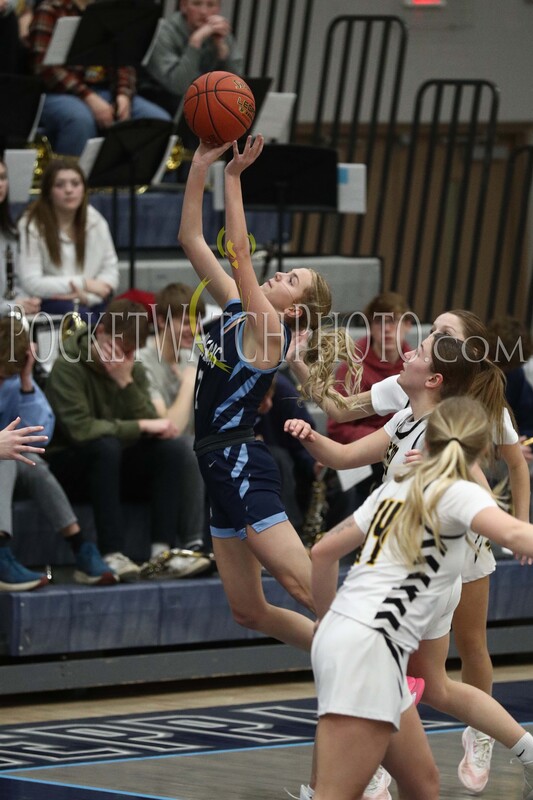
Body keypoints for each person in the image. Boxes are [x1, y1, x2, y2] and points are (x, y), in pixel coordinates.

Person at [288, 309, 529, 798]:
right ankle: (523, 748)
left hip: (391, 608)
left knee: (427, 699)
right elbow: (341, 428)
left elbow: (323, 553)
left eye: (432, 340)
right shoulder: (407, 426)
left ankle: (369, 766)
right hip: (386, 612)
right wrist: (313, 429)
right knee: (430, 709)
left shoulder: (444, 460)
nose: (411, 346)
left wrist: (326, 623)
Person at [178, 134, 359, 651]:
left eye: (291, 279)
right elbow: (191, 239)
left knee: (309, 587)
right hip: (215, 465)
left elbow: (238, 251)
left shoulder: (272, 332)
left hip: (237, 461)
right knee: (249, 610)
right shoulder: (238, 307)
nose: (280, 273)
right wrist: (199, 165)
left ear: (296, 309)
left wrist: (232, 178)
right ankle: (341, 659)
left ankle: (381, 665)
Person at [44, 298, 210, 581]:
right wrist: (140, 425)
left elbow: (155, 424)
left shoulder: (131, 366)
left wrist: (126, 383)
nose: (126, 358)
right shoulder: (67, 366)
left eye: (132, 351)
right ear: (101, 334)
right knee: (105, 447)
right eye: (121, 348)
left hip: (115, 464)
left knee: (172, 449)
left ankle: (162, 553)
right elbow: (81, 431)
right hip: (71, 465)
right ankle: (111, 553)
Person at [0, 315, 116, 591]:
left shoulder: (17, 381)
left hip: (11, 480)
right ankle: (1, 554)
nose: (3, 380)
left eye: (8, 375)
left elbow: (39, 438)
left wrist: (26, 380)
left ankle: (80, 547)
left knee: (29, 459)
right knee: (6, 456)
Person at [28, 0, 171, 156]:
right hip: (59, 93)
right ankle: (74, 178)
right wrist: (88, 96)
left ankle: (143, 179)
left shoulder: (110, 9)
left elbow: (125, 57)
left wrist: (124, 94)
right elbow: (44, 67)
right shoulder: (51, 8)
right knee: (80, 120)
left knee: (159, 120)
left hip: (106, 90)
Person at [136, 282, 211, 571]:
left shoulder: (192, 356)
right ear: (160, 320)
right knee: (184, 447)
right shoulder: (142, 361)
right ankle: (193, 544)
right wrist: (190, 383)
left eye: (196, 321)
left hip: (188, 456)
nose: (191, 329)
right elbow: (171, 428)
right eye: (183, 321)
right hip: (150, 459)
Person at [327, 290, 412, 507]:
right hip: (362, 452)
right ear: (370, 327)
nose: (387, 330)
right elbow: (337, 427)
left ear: (408, 325)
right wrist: (376, 438)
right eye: (379, 322)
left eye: (394, 321)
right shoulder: (352, 366)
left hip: (404, 452)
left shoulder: (417, 367)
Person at [18, 157, 119, 318]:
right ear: (48, 191)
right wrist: (84, 283)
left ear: (84, 189)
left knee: (126, 317)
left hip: (92, 299)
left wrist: (86, 297)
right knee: (82, 317)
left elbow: (110, 273)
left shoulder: (96, 220)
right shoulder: (31, 225)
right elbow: (32, 283)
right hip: (50, 302)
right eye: (60, 185)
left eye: (75, 183)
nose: (69, 190)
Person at [141, 0, 243, 118]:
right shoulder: (165, 32)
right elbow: (178, 86)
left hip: (203, 103)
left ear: (218, 9)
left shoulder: (220, 33)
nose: (204, 12)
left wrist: (222, 49)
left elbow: (236, 86)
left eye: (211, 5)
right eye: (196, 4)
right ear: (184, 6)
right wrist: (195, 42)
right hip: (164, 100)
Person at [0, 156, 41, 317]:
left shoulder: (10, 233)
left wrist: (26, 301)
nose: (0, 184)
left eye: (2, 177)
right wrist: (12, 306)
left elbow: (15, 284)